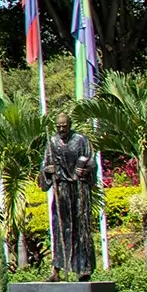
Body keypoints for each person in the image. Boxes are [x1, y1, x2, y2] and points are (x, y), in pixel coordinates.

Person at [41, 110, 97, 281]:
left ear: (70, 125)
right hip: (62, 189)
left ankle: (84, 268)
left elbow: (92, 162)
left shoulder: (81, 140)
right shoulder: (52, 142)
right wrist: (48, 171)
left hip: (79, 188)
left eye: (64, 126)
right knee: (60, 228)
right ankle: (57, 270)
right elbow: (45, 166)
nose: (61, 129)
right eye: (58, 126)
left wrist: (85, 170)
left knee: (81, 228)